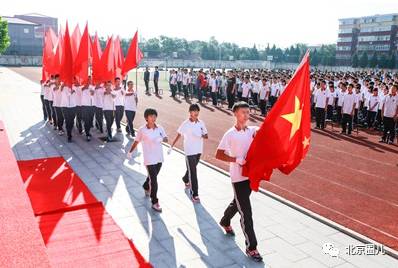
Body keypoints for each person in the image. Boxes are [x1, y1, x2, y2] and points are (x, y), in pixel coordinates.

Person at [215, 101, 262, 262]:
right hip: (238, 177)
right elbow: (219, 154)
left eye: (248, 112)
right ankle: (252, 247)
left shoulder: (252, 130)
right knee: (246, 212)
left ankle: (225, 220)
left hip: (251, 175)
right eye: (243, 112)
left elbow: (266, 129)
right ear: (235, 113)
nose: (246, 115)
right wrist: (236, 159)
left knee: (238, 203)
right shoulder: (230, 134)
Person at [127, 108, 168, 212]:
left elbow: (166, 138)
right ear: (146, 118)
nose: (153, 118)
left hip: (159, 158)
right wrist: (130, 152)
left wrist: (161, 139)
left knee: (152, 177)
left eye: (154, 116)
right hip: (149, 159)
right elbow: (136, 141)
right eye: (151, 116)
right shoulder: (142, 130)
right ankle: (155, 202)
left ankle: (146, 185)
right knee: (154, 180)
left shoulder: (160, 128)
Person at [169, 104, 208, 202]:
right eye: (194, 111)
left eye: (197, 111)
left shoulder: (201, 123)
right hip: (189, 151)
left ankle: (185, 179)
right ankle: (195, 194)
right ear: (190, 112)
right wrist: (172, 146)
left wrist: (200, 135)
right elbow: (179, 134)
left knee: (192, 169)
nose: (196, 113)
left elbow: (206, 136)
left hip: (198, 150)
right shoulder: (185, 124)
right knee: (193, 173)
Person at [81, 77, 95, 141]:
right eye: (88, 80)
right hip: (84, 106)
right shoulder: (82, 86)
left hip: (92, 106)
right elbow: (82, 89)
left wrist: (92, 92)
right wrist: (87, 85)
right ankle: (87, 134)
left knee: (90, 120)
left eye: (91, 80)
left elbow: (93, 95)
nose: (90, 81)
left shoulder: (93, 87)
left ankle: (88, 131)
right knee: (86, 120)